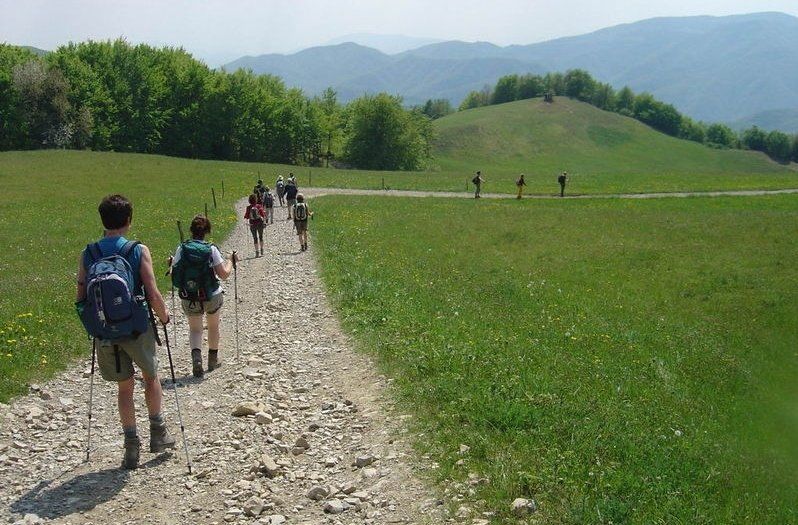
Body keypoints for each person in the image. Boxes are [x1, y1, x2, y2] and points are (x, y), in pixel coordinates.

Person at [76, 194, 174, 470]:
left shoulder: (89, 253)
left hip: (105, 330)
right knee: (151, 377)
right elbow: (153, 292)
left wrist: (93, 325)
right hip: (136, 327)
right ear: (129, 220)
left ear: (102, 220)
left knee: (124, 387)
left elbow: (81, 296)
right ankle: (159, 434)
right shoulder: (137, 250)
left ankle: (131, 448)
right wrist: (164, 317)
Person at [170, 215, 237, 378]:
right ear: (206, 231)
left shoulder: (182, 248)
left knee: (195, 329)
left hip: (190, 296)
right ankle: (212, 360)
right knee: (213, 326)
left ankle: (197, 360)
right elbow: (224, 274)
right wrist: (231, 261)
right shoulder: (211, 249)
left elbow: (174, 271)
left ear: (191, 230)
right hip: (211, 295)